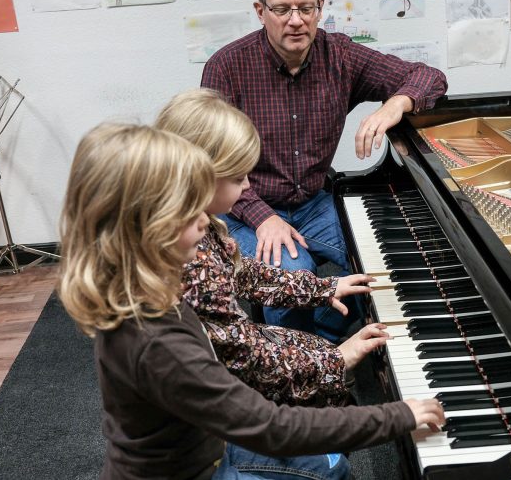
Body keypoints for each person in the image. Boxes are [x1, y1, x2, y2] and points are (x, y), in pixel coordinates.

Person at [57, 123, 445, 479]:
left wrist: (322, 292)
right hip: (196, 468)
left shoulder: (146, 285)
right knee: (332, 470)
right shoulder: (157, 340)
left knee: (331, 459)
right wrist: (397, 415)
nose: (203, 221)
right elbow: (269, 425)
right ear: (142, 225)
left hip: (206, 439)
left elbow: (241, 280)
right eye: (188, 209)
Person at [201, 0, 448, 339]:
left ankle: (322, 347)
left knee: (384, 259)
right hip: (248, 207)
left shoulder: (341, 56)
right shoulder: (226, 66)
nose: (296, 20)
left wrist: (396, 104)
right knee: (292, 275)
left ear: (321, 6)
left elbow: (427, 75)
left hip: (316, 202)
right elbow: (213, 165)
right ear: (260, 10)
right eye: (282, 9)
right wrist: (264, 218)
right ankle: (296, 373)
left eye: (306, 8)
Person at [156, 88, 385, 407]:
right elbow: (243, 355)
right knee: (335, 408)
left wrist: (321, 289)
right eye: (238, 178)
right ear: (198, 177)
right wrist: (335, 360)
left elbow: (243, 274)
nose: (249, 186)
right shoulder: (188, 258)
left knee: (318, 360)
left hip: (224, 362)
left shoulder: (193, 220)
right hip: (207, 408)